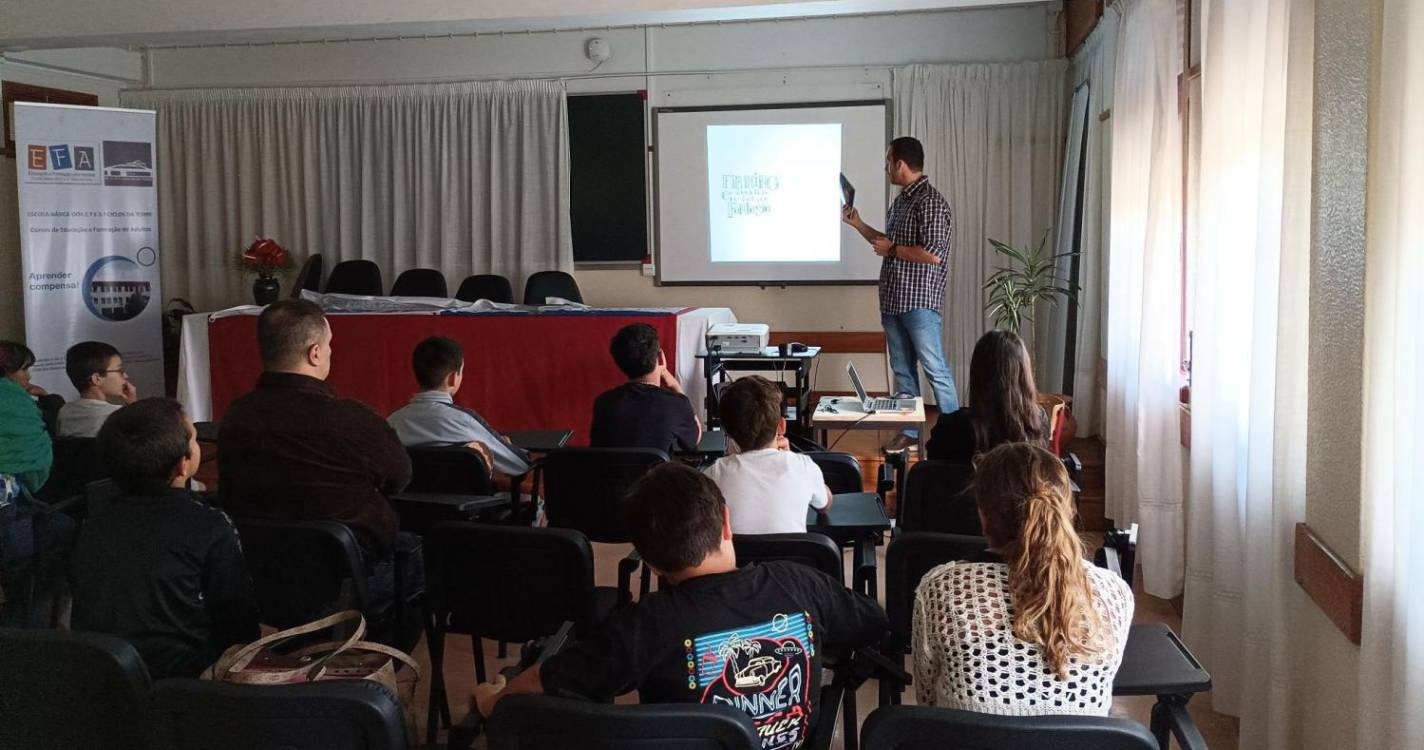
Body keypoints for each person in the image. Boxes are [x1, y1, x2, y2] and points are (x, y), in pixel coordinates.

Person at [472, 464, 887, 748]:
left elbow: (550, 680)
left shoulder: (643, 626)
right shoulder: (801, 583)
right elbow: (873, 623)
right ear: (726, 523)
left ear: (649, 561)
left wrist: (494, 698)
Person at [912, 442, 1132, 716]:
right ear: (1067, 508)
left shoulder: (941, 589)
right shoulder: (1114, 593)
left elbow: (928, 701)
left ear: (984, 515)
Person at [71, 398, 259, 679]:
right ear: (183, 464)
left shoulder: (92, 523)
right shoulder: (210, 526)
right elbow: (239, 625)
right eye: (194, 438)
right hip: (183, 681)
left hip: (101, 673)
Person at [218, 299, 411, 558]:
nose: (331, 351)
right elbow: (400, 476)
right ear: (315, 353)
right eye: (329, 344)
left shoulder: (236, 415)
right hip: (347, 568)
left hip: (255, 563)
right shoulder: (350, 418)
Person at [843, 136, 958, 453]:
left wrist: (892, 249)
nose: (885, 168)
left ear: (900, 163)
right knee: (902, 372)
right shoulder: (902, 202)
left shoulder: (931, 202)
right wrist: (859, 224)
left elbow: (933, 254)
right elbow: (887, 243)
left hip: (918, 302)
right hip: (893, 300)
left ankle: (955, 437)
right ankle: (908, 433)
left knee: (935, 369)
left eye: (888, 161)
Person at [387, 336, 531, 481]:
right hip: (467, 495)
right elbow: (520, 465)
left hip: (409, 496)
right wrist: (504, 446)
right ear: (453, 378)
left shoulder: (392, 423)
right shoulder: (464, 421)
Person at [704, 375, 831, 534]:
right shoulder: (803, 466)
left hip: (736, 551)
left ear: (727, 431)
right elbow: (825, 504)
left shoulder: (713, 475)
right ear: (782, 426)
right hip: (795, 551)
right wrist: (789, 456)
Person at [926, 329, 1050, 463]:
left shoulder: (951, 427)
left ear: (978, 374)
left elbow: (932, 468)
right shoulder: (1038, 423)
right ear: (1024, 375)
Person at [589, 323, 701, 454]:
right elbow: (694, 440)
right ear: (660, 357)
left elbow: (597, 448)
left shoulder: (603, 402)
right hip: (658, 468)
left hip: (613, 468)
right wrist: (675, 386)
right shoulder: (676, 403)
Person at [0, 341, 52, 497]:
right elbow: (32, 464)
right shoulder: (17, 405)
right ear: (6, 371)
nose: (29, 376)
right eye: (24, 369)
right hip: (11, 496)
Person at [56, 340, 138, 437]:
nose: (126, 376)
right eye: (120, 371)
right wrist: (134, 407)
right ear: (96, 379)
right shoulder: (118, 415)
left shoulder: (65, 412)